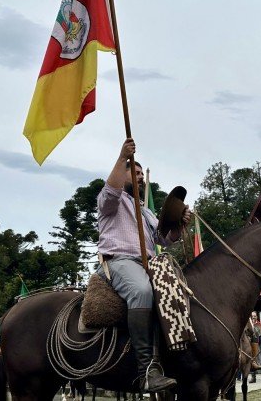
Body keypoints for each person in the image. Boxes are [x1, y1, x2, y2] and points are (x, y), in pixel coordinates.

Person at [95, 138, 190, 392]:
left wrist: (179, 224)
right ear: (121, 174)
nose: (140, 177)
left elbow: (163, 239)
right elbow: (112, 192)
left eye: (141, 174)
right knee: (142, 291)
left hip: (149, 263)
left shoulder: (145, 210)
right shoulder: (109, 198)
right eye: (134, 172)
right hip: (119, 262)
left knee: (179, 293)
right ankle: (147, 371)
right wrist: (121, 156)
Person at [248, 312, 261, 383]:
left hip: (260, 343)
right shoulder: (249, 325)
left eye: (255, 316)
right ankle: (253, 378)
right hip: (251, 345)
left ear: (257, 317)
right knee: (252, 359)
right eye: (252, 316)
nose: (253, 317)